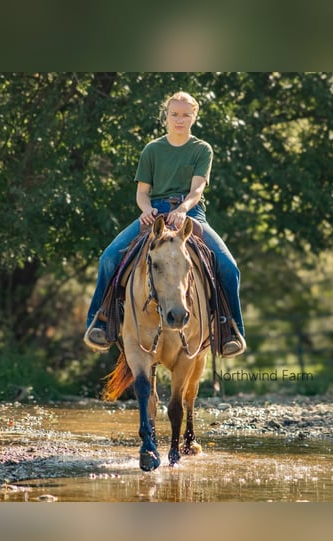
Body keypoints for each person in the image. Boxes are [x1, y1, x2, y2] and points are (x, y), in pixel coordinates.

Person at [84, 91, 245, 357]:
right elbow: (142, 192)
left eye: (185, 115)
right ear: (166, 117)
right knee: (109, 258)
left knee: (229, 267)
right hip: (154, 214)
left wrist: (182, 210)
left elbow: (197, 190)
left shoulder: (202, 149)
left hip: (191, 215)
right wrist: (146, 211)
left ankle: (230, 330)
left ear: (194, 117)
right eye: (174, 115)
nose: (179, 120)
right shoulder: (152, 149)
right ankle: (99, 321)